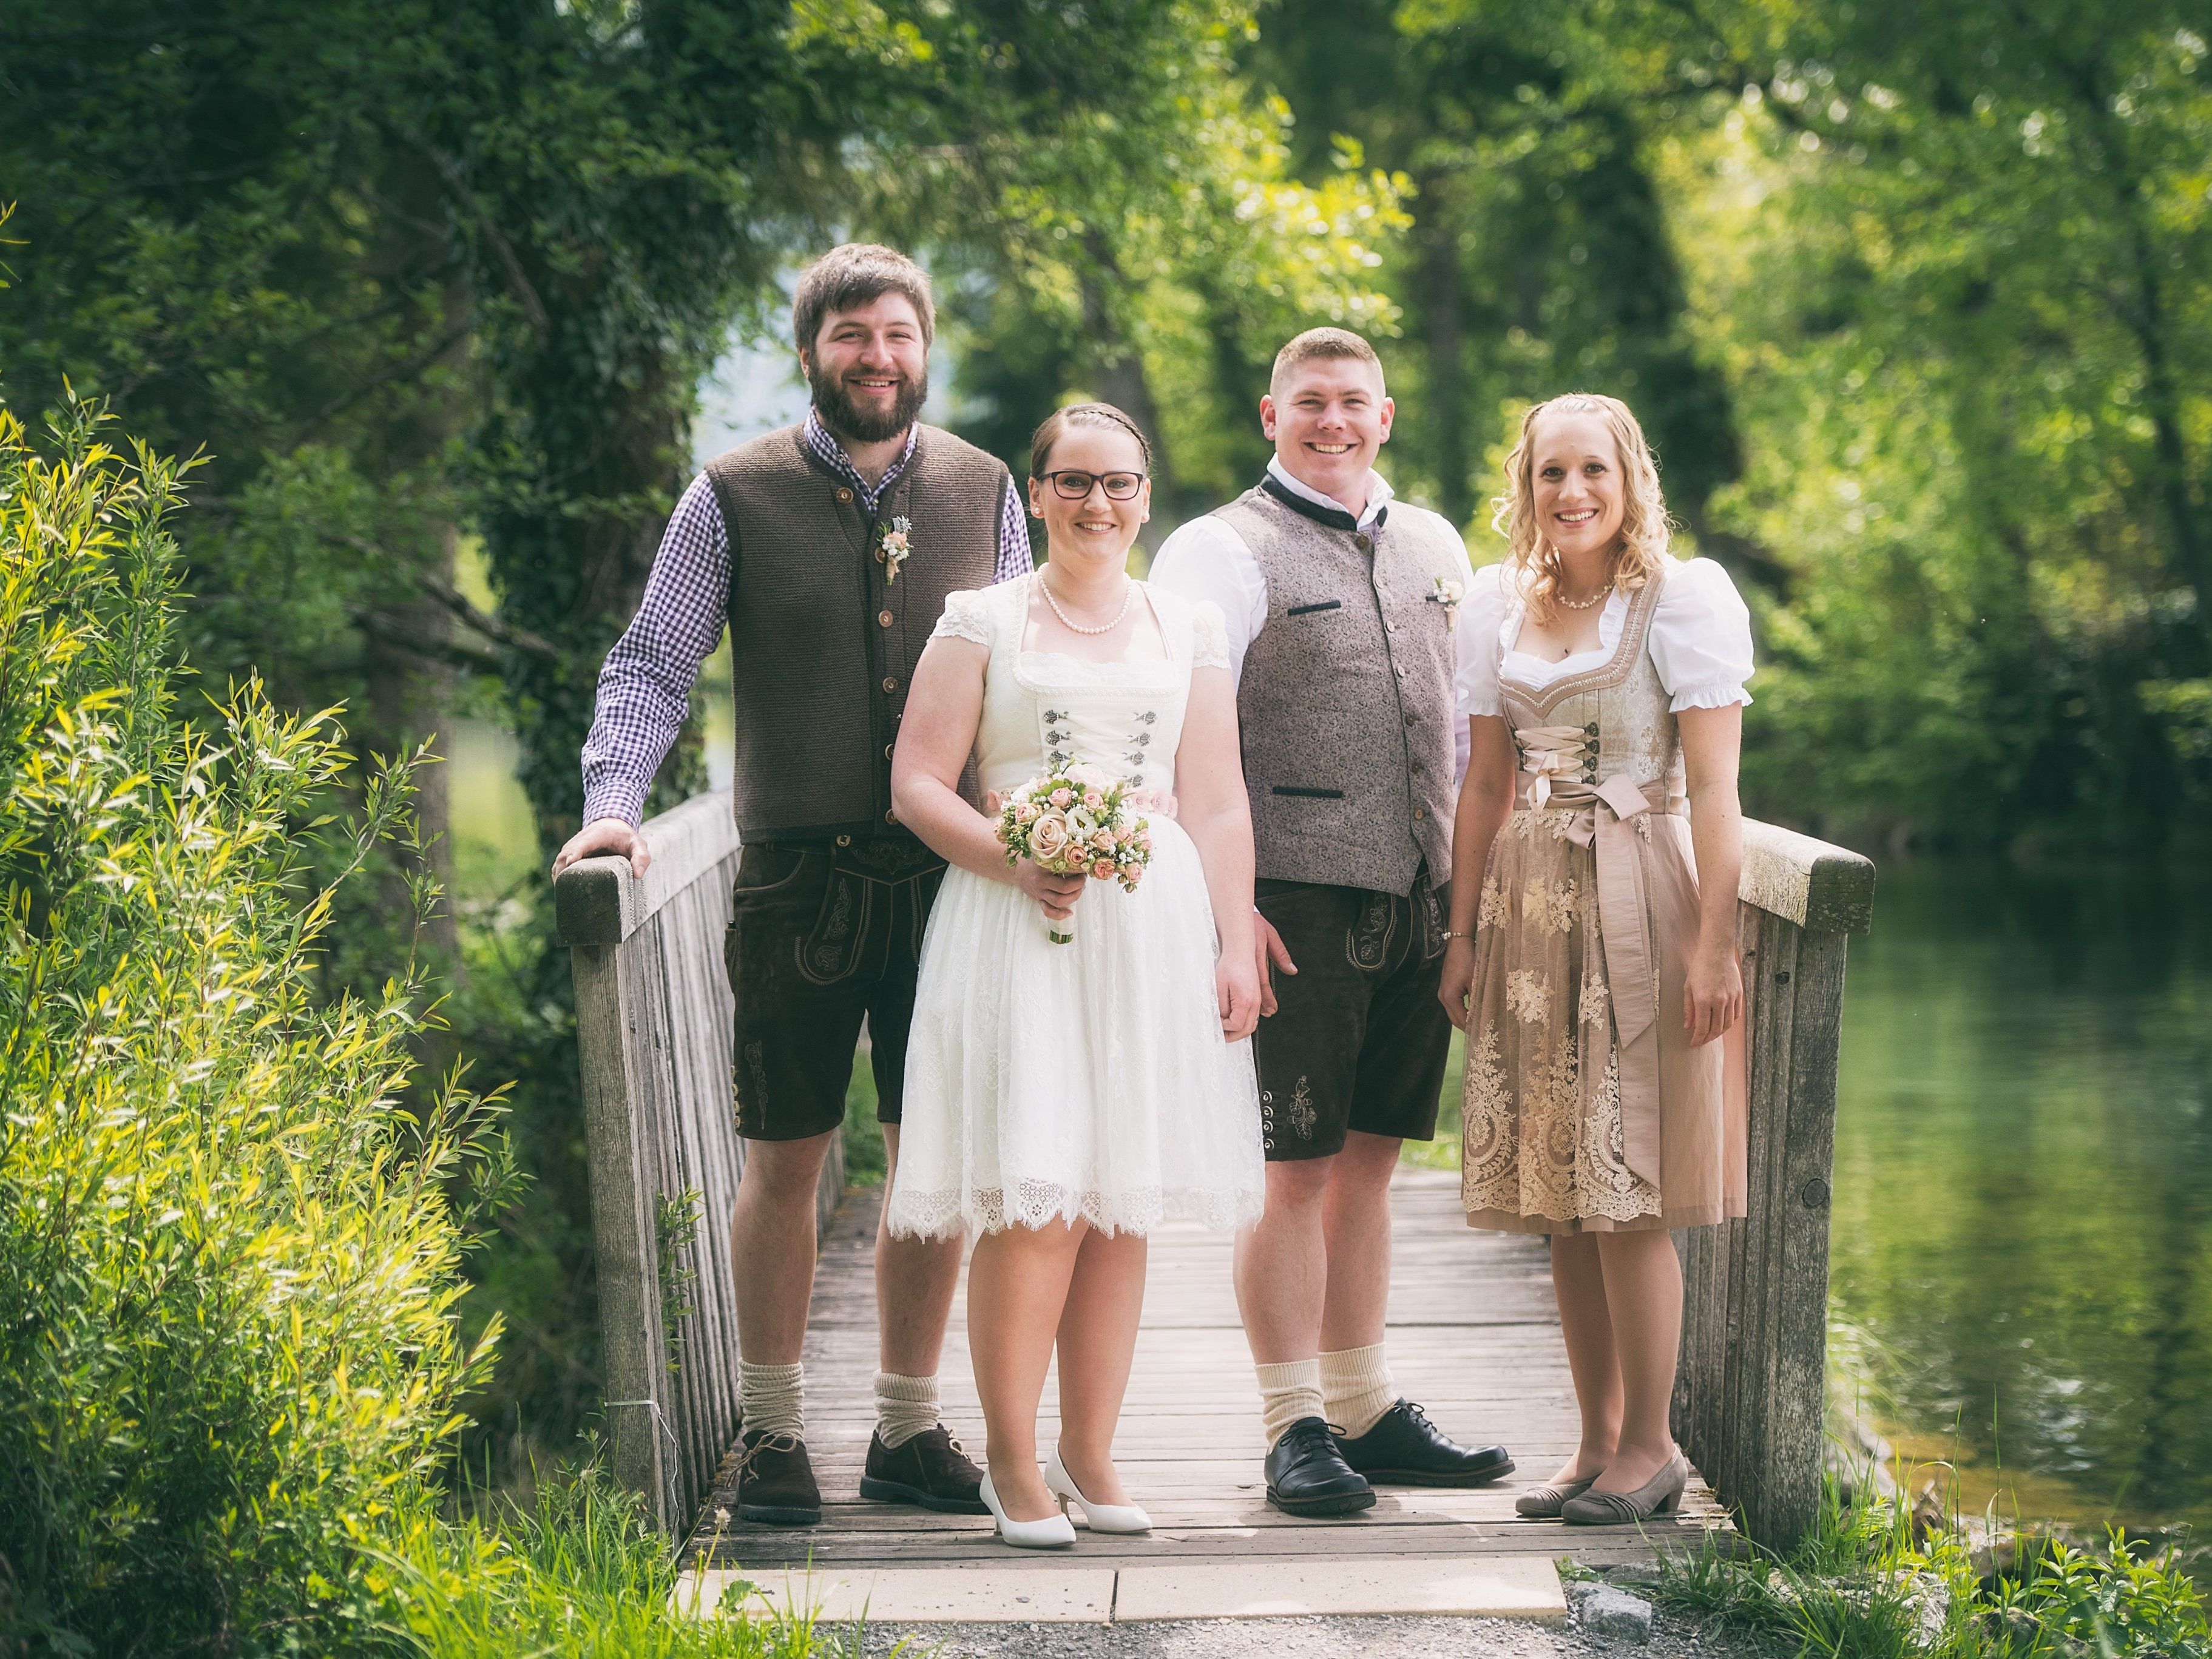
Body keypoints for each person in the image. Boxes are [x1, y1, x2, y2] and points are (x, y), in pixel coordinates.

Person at [552, 244, 1034, 1527]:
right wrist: (610, 809)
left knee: (934, 1159)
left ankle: (904, 1425)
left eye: (894, 334)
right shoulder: (731, 493)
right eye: (848, 337)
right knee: (786, 1157)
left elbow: (1030, 674)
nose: (874, 357)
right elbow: (653, 663)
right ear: (809, 350)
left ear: (922, 347)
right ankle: (771, 1431)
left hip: (950, 880)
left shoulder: (986, 490)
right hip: (792, 881)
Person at [884, 403, 1266, 1549]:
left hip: (1150, 931)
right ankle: (1011, 1459)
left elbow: (1217, 799)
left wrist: (1235, 939)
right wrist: (1015, 856)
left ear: (1147, 494)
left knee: (1119, 1202)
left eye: (1120, 483)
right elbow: (917, 782)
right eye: (1073, 483)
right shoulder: (982, 618)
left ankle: (1090, 1449)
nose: (1098, 504)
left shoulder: (1185, 625)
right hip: (1019, 928)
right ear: (1038, 493)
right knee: (1037, 1195)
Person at [1149, 328, 1514, 1518]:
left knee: (1370, 1166)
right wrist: (1226, 910)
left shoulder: (1436, 542)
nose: (1332, 420)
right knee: (1291, 1172)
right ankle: (1289, 1422)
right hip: (1291, 901)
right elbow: (1176, 745)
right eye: (1310, 401)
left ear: (1385, 414)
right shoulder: (1214, 549)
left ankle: (1360, 1403)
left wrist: (1463, 902)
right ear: (1269, 414)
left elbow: (1461, 737)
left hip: (1413, 902)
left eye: (1352, 402)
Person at [1440, 392, 1752, 1526]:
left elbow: (1714, 790)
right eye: (1549, 474)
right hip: (1528, 905)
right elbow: (1481, 782)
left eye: (1592, 472)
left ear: (1629, 481)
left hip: (1636, 896)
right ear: (1523, 487)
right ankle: (1591, 1441)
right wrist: (1463, 930)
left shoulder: (1678, 600)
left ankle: (1651, 1444)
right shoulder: (1497, 604)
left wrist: (1715, 941)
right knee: (1559, 1195)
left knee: (1625, 1192)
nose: (1570, 493)